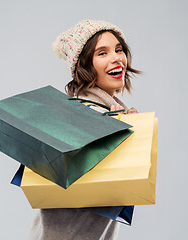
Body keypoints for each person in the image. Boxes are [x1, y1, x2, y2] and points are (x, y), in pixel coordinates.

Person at [29, 20, 140, 240]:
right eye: (102, 53)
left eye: (119, 50)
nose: (116, 58)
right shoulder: (84, 113)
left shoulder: (104, 110)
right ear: (85, 66)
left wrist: (128, 129)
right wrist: (114, 129)